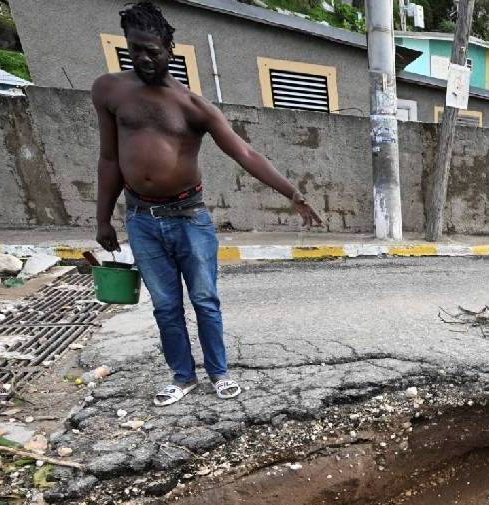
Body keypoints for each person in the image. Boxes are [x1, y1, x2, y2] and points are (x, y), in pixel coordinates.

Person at [94, 2, 322, 407]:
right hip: (142, 218)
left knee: (204, 300)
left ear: (170, 49)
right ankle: (183, 377)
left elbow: (246, 154)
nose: (145, 58)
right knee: (165, 306)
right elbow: (109, 158)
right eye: (136, 49)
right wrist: (103, 220)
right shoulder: (110, 91)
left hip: (188, 217)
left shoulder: (194, 107)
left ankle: (218, 373)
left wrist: (293, 193)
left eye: (153, 50)